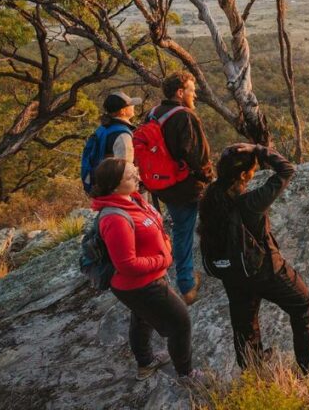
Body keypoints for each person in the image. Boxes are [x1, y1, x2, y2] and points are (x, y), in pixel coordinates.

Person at [198, 143, 309, 373]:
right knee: (302, 301)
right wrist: (258, 148)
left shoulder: (211, 196)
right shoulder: (251, 202)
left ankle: (252, 368)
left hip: (232, 272)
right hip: (264, 270)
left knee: (244, 322)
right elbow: (286, 170)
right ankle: (308, 362)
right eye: (253, 168)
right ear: (243, 175)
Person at [90, 157, 203, 385]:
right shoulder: (115, 218)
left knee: (142, 318)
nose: (138, 176)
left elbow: (152, 228)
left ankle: (145, 363)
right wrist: (163, 260)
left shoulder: (132, 199)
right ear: (114, 185)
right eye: (131, 176)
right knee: (180, 322)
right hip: (140, 285)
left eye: (136, 171)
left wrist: (165, 241)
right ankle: (186, 374)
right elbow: (127, 265)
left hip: (146, 280)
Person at [147, 71, 213, 305]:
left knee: (182, 230)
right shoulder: (185, 117)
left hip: (164, 186)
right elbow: (198, 156)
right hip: (186, 187)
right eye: (191, 91)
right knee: (188, 230)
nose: (194, 95)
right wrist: (209, 178)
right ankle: (186, 285)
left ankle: (187, 276)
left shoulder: (153, 113)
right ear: (180, 92)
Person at [80, 91, 142, 193]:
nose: (133, 106)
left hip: (100, 183)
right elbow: (125, 170)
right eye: (130, 105)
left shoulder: (103, 128)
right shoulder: (123, 135)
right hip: (116, 190)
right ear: (122, 111)